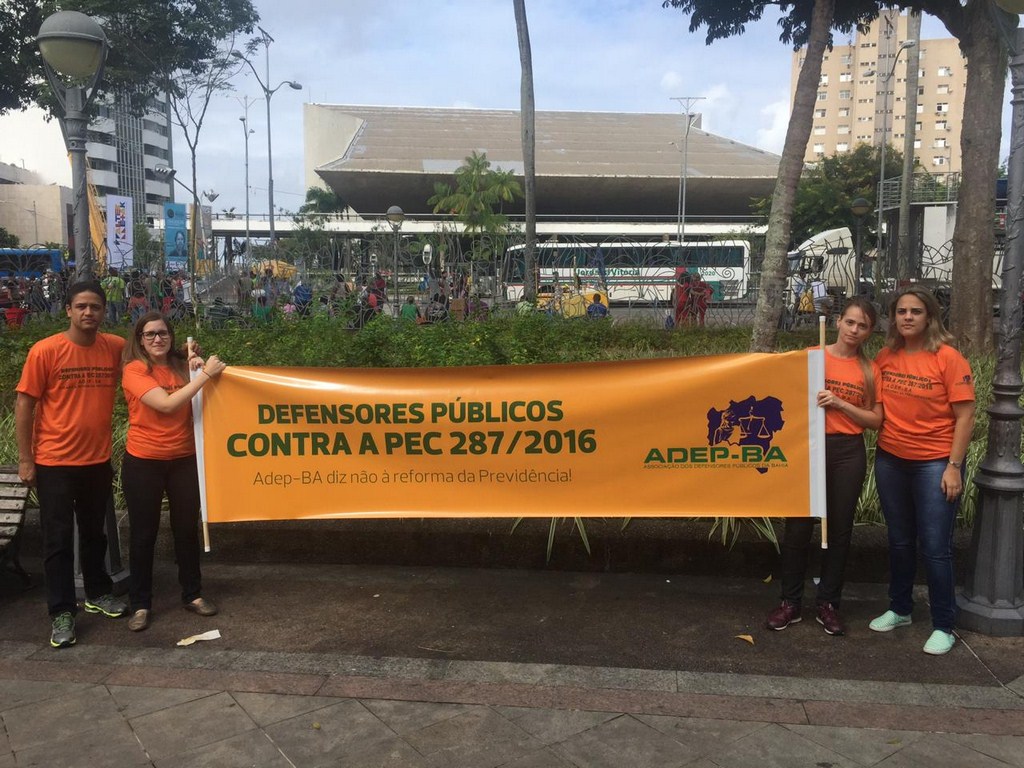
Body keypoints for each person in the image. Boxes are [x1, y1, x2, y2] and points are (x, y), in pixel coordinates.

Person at [15, 280, 128, 648]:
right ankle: (61, 611)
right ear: (68, 310)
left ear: (104, 311)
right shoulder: (46, 351)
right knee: (58, 540)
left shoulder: (114, 347)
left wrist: (189, 355)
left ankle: (98, 593)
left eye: (95, 306)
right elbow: (24, 404)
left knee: (95, 534)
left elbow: (151, 358)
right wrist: (26, 459)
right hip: (55, 462)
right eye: (81, 306)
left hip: (97, 460)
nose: (88, 312)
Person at [766, 297, 883, 636]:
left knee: (840, 530)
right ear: (838, 322)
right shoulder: (812, 356)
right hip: (809, 448)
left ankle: (828, 603)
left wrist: (840, 403)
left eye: (862, 326)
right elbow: (781, 396)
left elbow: (875, 420)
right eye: (850, 322)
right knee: (798, 527)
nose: (854, 330)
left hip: (847, 452)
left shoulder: (869, 370)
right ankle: (790, 602)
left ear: (869, 332)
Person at [869, 287, 975, 655]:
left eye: (915, 311)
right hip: (891, 460)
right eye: (901, 311)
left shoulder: (948, 358)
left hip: (935, 464)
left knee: (935, 547)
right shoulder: (885, 356)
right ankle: (900, 608)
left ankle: (944, 624)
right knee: (899, 541)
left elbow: (966, 417)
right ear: (894, 317)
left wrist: (953, 467)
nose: (908, 317)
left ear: (929, 316)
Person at [120, 312, 225, 631]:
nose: (157, 339)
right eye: (150, 334)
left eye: (163, 333)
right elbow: (166, 404)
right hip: (144, 461)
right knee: (143, 534)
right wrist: (204, 375)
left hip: (183, 459)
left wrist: (197, 366)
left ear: (171, 336)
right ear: (140, 340)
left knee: (186, 530)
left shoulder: (183, 364)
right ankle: (140, 603)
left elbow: (205, 393)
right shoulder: (134, 370)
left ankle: (193, 594)